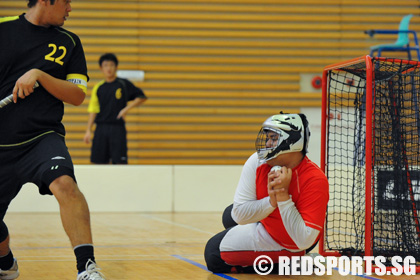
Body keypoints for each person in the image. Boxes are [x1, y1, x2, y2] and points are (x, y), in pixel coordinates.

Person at [0, 1, 105, 279]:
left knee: (65, 184)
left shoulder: (69, 42)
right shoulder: (3, 29)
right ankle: (5, 261)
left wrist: (40, 75)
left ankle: (86, 267)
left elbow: (78, 96)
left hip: (42, 138)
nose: (70, 7)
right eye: (66, 1)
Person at [204, 112, 329, 273]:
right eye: (268, 138)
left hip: (293, 240)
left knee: (213, 255)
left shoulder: (315, 179)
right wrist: (271, 202)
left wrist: (283, 196)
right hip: (268, 223)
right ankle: (286, 260)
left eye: (273, 139)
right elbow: (239, 215)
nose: (267, 143)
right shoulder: (257, 162)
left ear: (292, 142)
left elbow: (304, 239)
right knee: (229, 215)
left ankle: (294, 263)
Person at [84, 53, 147, 164]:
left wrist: (125, 110)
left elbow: (141, 97)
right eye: (106, 65)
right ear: (101, 68)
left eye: (112, 65)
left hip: (117, 128)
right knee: (99, 162)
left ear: (116, 67)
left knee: (119, 162)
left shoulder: (123, 84)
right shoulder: (98, 87)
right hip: (101, 129)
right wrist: (88, 130)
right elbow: (93, 110)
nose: (109, 68)